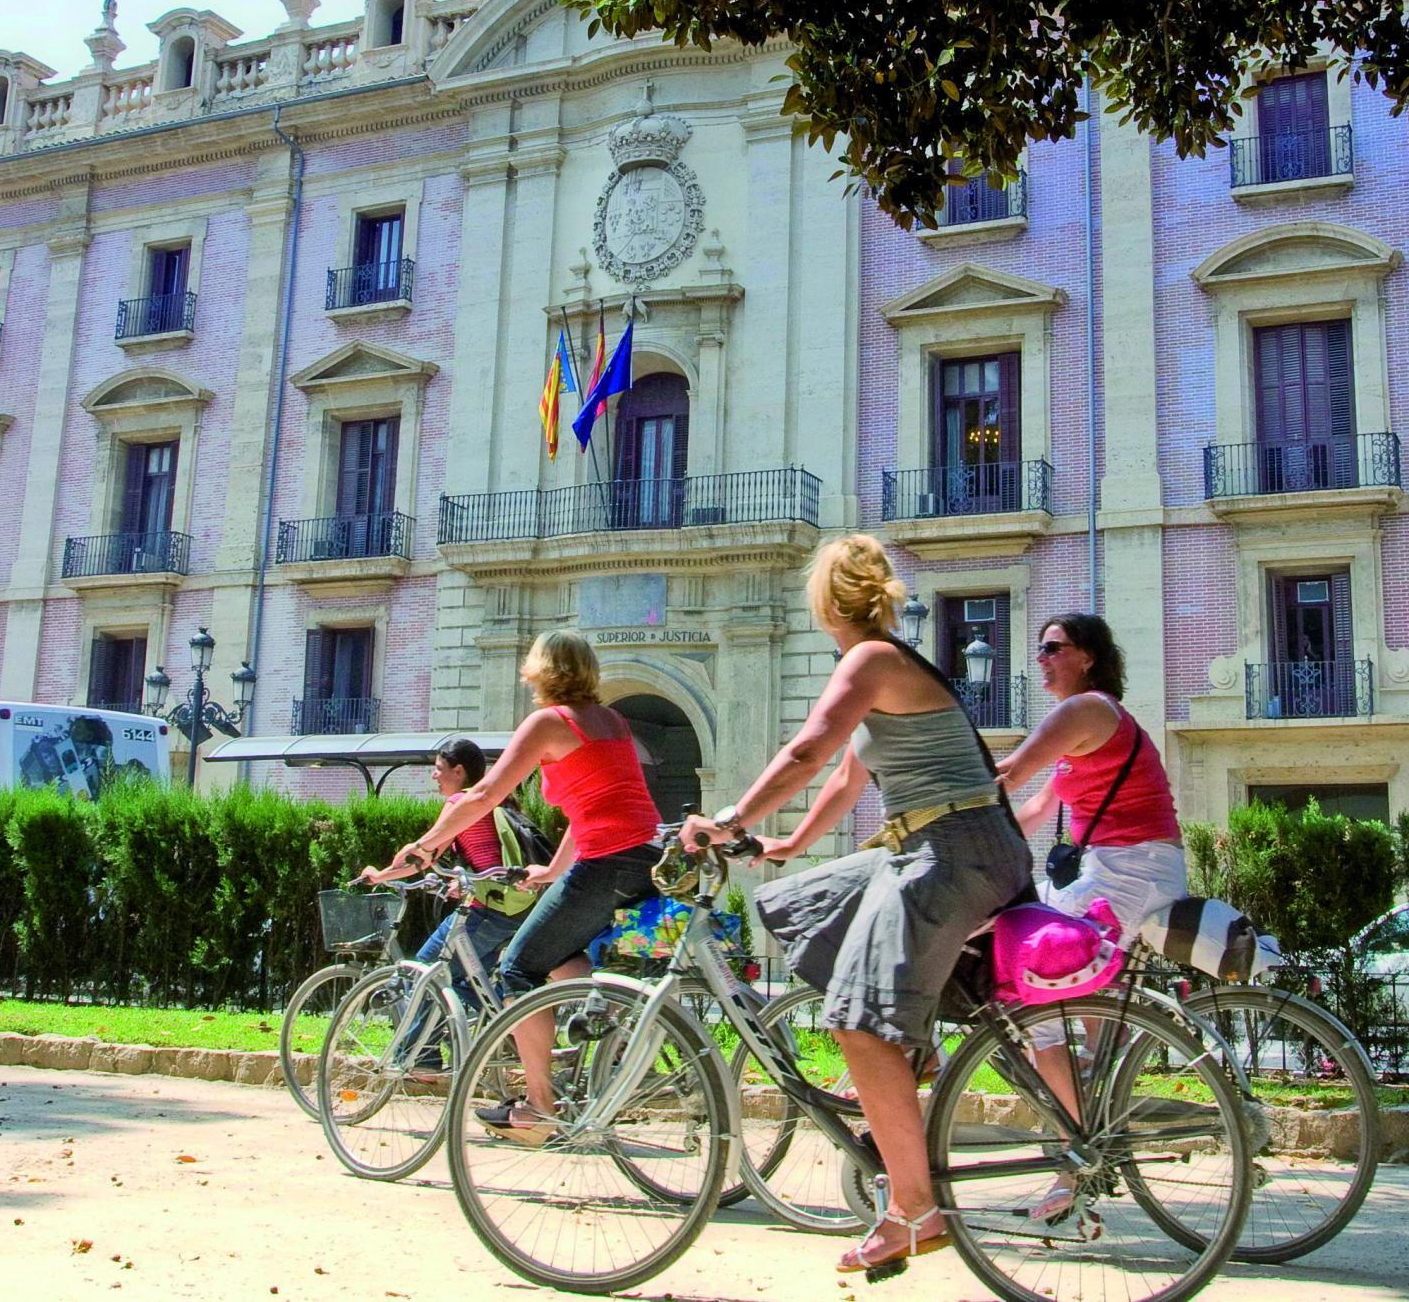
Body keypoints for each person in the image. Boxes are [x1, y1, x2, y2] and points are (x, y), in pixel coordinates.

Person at [679, 535, 1032, 1278]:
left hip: (955, 846)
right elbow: (844, 774)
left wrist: (729, 819)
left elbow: (808, 750)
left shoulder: (870, 659)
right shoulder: (883, 667)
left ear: (826, 602)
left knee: (854, 1021)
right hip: (934, 843)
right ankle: (912, 1040)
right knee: (809, 899)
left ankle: (915, 1207)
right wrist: (785, 842)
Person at [384, 632, 661, 1138]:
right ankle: (612, 1027)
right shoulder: (613, 721)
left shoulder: (549, 722)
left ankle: (539, 1109)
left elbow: (485, 793)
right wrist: (552, 872)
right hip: (644, 857)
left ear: (539, 670)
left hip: (606, 863)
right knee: (559, 955)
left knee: (516, 972)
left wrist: (427, 846)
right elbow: (591, 811)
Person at [992, 611, 1185, 1222]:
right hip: (1124, 868)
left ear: (1088, 656)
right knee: (1047, 959)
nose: (1042, 659)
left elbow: (1008, 774)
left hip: (1130, 868)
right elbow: (1029, 807)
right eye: (1040, 649)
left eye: (1054, 648)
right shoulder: (1081, 739)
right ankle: (1101, 1082)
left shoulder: (1086, 711)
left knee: (1031, 980)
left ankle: (1079, 1154)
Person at [355, 739, 542, 1032]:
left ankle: (423, 1058)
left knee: (427, 973)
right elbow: (487, 855)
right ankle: (510, 1037)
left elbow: (424, 857)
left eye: (439, 769)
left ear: (459, 771)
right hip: (515, 906)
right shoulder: (496, 799)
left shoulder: (460, 804)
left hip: (489, 910)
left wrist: (379, 876)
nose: (434, 776)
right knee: (464, 978)